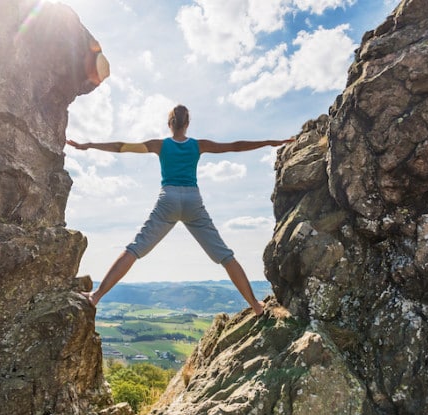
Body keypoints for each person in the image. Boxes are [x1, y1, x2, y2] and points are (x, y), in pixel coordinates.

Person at [66, 105, 293, 316]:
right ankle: (256, 306)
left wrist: (89, 145)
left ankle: (96, 296)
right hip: (193, 200)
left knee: (134, 249)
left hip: (168, 200)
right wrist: (270, 142)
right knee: (225, 256)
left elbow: (121, 147)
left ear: (170, 124)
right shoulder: (198, 145)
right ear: (187, 123)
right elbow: (235, 146)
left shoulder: (160, 145)